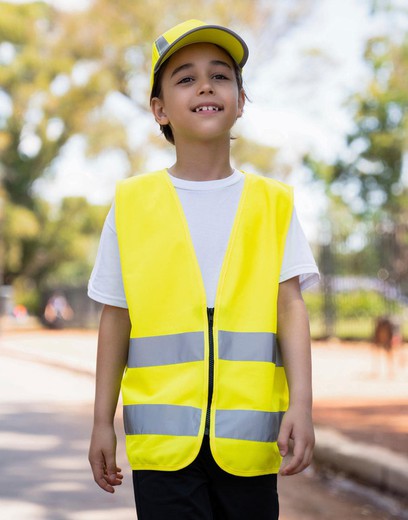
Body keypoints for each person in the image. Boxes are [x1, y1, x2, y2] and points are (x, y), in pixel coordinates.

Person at [88, 19, 319, 520]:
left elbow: (290, 306)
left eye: (221, 75)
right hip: (163, 451)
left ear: (240, 100)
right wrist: (101, 420)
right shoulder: (131, 205)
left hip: (249, 444)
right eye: (185, 78)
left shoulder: (273, 203)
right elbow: (116, 317)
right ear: (159, 109)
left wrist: (301, 404)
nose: (206, 86)